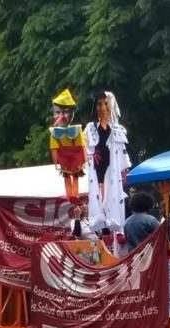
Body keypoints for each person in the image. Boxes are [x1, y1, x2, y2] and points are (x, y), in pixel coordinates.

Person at [85, 91, 130, 238]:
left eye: (105, 103)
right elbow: (85, 150)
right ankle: (101, 226)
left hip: (113, 170)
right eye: (99, 104)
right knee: (98, 197)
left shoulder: (117, 130)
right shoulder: (91, 129)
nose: (103, 107)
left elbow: (122, 153)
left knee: (114, 197)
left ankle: (116, 229)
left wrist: (124, 171)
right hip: (97, 170)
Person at [48, 89, 86, 200]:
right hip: (64, 158)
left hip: (75, 157)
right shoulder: (54, 133)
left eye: (65, 112)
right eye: (58, 112)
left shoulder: (77, 130)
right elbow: (54, 149)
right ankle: (70, 196)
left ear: (71, 114)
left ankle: (75, 194)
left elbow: (82, 146)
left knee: (75, 176)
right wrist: (56, 163)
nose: (61, 116)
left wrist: (84, 159)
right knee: (66, 176)